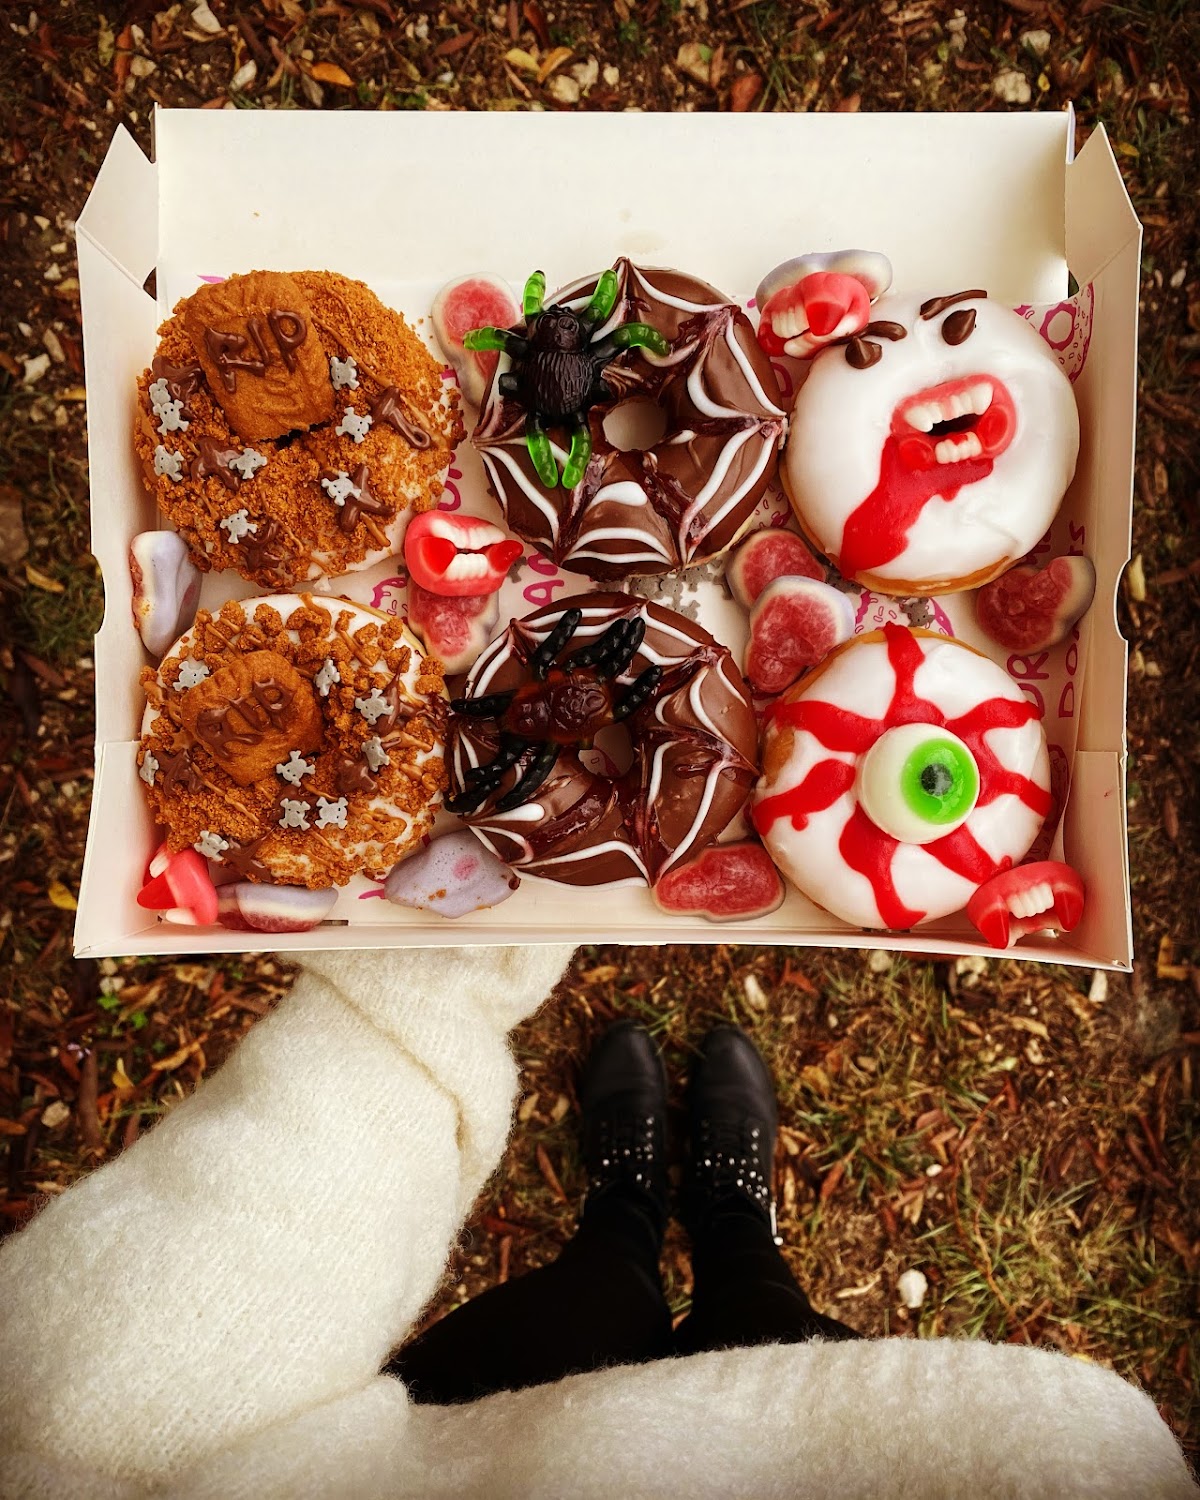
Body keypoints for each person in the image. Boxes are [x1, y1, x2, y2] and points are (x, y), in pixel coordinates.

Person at [0, 947, 1194, 1500]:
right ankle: (726, 1214)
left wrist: (403, 1023)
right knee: (756, 1308)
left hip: (459, 1445)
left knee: (601, 1294)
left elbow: (109, 1400)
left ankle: (628, 1206)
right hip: (863, 1458)